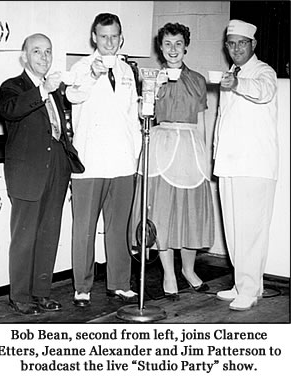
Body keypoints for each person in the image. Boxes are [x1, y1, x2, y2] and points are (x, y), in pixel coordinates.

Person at [0, 33, 84, 315]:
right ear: (24, 57)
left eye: (48, 51)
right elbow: (11, 111)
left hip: (56, 168)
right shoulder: (12, 87)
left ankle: (41, 293)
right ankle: (20, 296)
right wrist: (43, 90)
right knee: (24, 237)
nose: (44, 57)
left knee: (49, 234)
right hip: (27, 172)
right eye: (37, 52)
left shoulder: (55, 90)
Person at [133, 22, 215, 300]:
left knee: (188, 215)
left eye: (178, 43)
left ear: (186, 46)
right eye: (167, 44)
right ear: (160, 47)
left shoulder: (198, 80)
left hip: (190, 149)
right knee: (163, 215)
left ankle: (188, 271)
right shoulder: (152, 79)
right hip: (162, 147)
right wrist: (153, 91)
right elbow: (144, 114)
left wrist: (204, 158)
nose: (172, 49)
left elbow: (201, 121)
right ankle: (169, 273)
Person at [66, 13, 142, 307]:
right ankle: (82, 287)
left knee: (119, 226)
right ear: (94, 38)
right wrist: (94, 75)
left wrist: (133, 152)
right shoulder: (82, 68)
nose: (109, 42)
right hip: (90, 162)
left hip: (122, 162)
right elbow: (73, 96)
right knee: (84, 228)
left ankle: (120, 283)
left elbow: (131, 117)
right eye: (103, 36)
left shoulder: (126, 71)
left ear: (121, 38)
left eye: (114, 36)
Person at [213, 20, 279, 311]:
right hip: (229, 163)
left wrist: (238, 84)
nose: (236, 48)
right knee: (235, 230)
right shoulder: (230, 73)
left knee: (251, 230)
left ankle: (249, 289)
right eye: (231, 43)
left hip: (254, 165)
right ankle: (245, 285)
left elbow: (263, 91)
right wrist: (216, 157)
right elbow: (223, 122)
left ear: (253, 45)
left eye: (242, 43)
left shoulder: (263, 71)